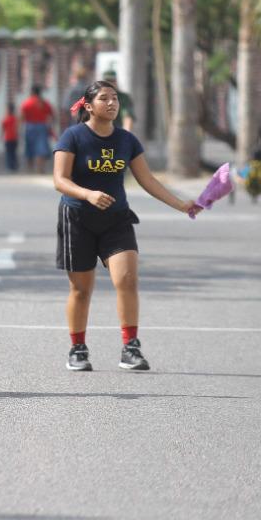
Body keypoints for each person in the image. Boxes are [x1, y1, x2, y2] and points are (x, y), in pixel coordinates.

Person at [54, 80, 197, 372]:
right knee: (81, 289)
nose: (112, 103)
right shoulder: (73, 137)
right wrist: (88, 193)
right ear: (89, 106)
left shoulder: (127, 140)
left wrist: (180, 204)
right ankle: (78, 348)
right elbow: (60, 180)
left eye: (115, 98)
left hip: (116, 220)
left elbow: (148, 180)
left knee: (127, 279)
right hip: (77, 219)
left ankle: (130, 347)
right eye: (104, 98)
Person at [20, 84, 55, 173]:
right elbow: (52, 115)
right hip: (41, 126)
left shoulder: (27, 102)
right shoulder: (44, 103)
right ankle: (40, 168)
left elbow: (21, 116)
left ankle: (30, 168)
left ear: (32, 92)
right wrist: (50, 125)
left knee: (30, 147)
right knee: (41, 148)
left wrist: (19, 128)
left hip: (30, 126)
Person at [1, 101, 19, 172]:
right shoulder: (15, 118)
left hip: (8, 138)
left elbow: (2, 128)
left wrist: (1, 136)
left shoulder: (5, 119)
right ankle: (14, 165)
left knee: (9, 153)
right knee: (13, 152)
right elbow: (17, 128)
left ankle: (10, 165)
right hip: (14, 138)